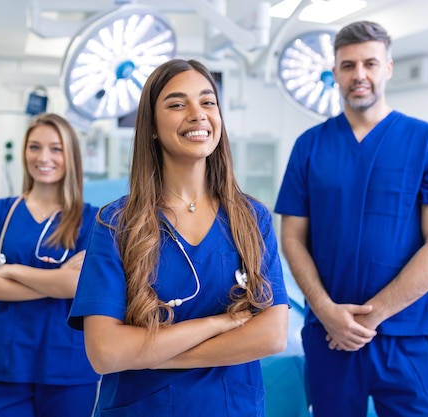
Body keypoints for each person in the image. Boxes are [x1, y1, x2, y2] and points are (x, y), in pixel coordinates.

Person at [68, 58, 289, 417]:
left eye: (207, 102)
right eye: (176, 103)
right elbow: (106, 352)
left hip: (231, 407)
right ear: (152, 127)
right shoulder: (115, 223)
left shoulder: (251, 218)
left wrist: (155, 354)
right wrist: (219, 323)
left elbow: (272, 334)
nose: (197, 114)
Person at [274, 21, 428, 417]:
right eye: (348, 65)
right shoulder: (309, 146)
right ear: (335, 73)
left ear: (388, 68)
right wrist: (328, 312)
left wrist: (367, 319)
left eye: (370, 63)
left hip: (404, 337)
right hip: (329, 335)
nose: (359, 75)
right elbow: (291, 237)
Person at [0, 113, 100, 417]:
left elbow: (78, 286)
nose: (43, 157)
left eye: (55, 148)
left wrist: (9, 271)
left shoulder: (93, 220)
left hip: (66, 364)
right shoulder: (0, 212)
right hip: (6, 359)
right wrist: (56, 281)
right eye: (34, 147)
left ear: (71, 155)